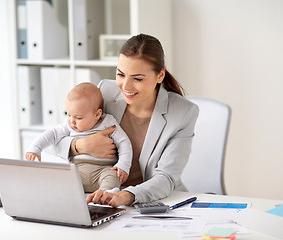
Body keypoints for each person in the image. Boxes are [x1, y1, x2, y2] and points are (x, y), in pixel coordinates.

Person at [54, 33, 199, 207]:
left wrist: (126, 196)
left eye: (137, 78)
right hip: (100, 197)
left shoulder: (183, 112)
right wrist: (79, 146)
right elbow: (55, 141)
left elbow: (166, 178)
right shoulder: (104, 93)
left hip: (152, 201)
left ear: (160, 76)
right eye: (121, 74)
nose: (126, 86)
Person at [25, 82, 132, 192]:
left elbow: (124, 142)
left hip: (104, 169)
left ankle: (105, 194)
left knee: (113, 176)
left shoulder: (108, 122)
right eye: (68, 114)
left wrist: (123, 165)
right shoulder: (68, 126)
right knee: (59, 179)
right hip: (77, 170)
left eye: (78, 118)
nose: (72, 121)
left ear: (97, 114)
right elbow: (51, 134)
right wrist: (35, 149)